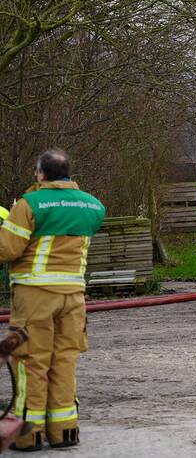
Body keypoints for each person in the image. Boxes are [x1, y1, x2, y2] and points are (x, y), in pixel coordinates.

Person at [0, 149, 105, 451]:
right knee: (64, 360)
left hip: (35, 295)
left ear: (41, 174)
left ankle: (27, 434)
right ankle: (64, 430)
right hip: (73, 296)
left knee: (31, 361)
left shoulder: (29, 204)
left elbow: (7, 249)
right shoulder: (93, 206)